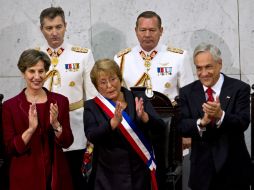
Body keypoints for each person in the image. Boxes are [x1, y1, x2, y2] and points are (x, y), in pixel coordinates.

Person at [114, 10, 194, 189]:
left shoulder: (178, 57)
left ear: (161, 31)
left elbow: (189, 97)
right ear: (136, 31)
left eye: (152, 30)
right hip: (134, 127)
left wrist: (187, 132)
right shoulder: (122, 58)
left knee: (167, 177)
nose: (147, 35)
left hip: (169, 129)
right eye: (143, 30)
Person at [178, 43, 252, 190]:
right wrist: (201, 122)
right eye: (199, 68)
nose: (204, 73)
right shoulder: (187, 92)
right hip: (202, 172)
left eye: (208, 67)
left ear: (220, 64)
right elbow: (181, 126)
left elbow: (243, 122)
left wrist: (221, 116)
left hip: (234, 171)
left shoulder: (239, 88)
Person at [39, 7, 97, 189]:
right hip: (42, 127)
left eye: (58, 27)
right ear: (42, 29)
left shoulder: (82, 55)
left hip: (76, 127)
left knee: (75, 179)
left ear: (66, 26)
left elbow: (92, 97)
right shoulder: (34, 56)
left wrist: (92, 129)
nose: (54, 33)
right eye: (49, 28)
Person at [83, 59, 165, 190]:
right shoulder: (92, 106)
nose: (109, 85)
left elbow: (161, 128)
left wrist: (145, 117)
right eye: (103, 82)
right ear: (96, 86)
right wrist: (112, 123)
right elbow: (92, 135)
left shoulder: (138, 98)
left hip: (140, 172)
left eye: (113, 79)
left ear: (119, 78)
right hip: (108, 176)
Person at [2, 49, 74, 190]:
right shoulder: (9, 106)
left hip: (57, 177)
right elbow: (9, 149)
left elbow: (67, 142)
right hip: (25, 178)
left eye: (41, 71)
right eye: (31, 71)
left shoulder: (60, 101)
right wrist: (30, 130)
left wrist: (56, 124)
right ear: (23, 73)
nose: (37, 76)